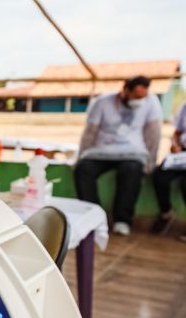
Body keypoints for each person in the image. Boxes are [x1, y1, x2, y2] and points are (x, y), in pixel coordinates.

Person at [74, 76, 162, 236]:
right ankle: (94, 215)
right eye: (136, 95)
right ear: (125, 90)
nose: (139, 100)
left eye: (143, 96)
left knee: (132, 170)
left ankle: (122, 219)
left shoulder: (151, 102)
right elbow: (90, 131)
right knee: (83, 169)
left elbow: (153, 133)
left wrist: (151, 160)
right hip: (102, 152)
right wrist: (81, 156)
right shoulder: (103, 102)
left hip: (132, 153)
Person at [150, 100, 186, 238]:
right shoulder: (184, 106)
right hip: (180, 154)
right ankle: (166, 213)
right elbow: (177, 132)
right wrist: (175, 145)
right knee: (160, 176)